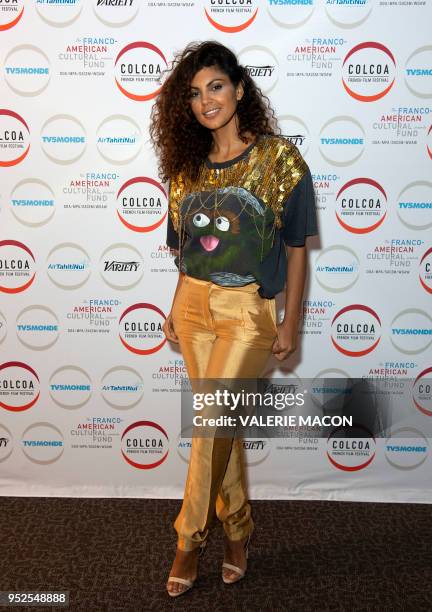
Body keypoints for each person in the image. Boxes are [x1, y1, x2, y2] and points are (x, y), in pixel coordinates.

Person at [149, 40, 318, 597]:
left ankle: (188, 539)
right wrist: (176, 306)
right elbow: (188, 252)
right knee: (219, 427)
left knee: (208, 426)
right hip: (194, 308)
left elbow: (296, 247)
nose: (206, 101)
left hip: (248, 312)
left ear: (240, 88)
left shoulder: (279, 160)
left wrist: (290, 320)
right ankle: (239, 530)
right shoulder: (187, 171)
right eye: (194, 95)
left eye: (216, 86)